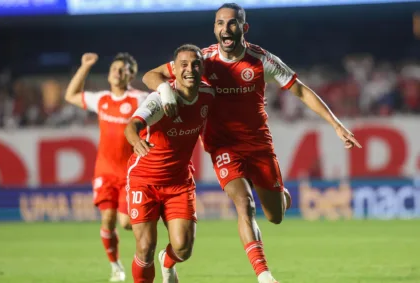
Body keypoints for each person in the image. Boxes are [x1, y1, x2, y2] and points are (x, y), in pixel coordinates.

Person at [142, 3, 362, 283]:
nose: (226, 29)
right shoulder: (203, 60)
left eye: (232, 23)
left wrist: (336, 125)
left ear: (243, 28)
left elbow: (301, 91)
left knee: (276, 215)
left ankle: (169, 257)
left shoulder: (262, 60)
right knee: (244, 204)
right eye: (220, 23)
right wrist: (164, 89)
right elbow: (151, 74)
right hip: (222, 147)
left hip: (259, 146)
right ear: (214, 28)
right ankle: (264, 275)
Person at [124, 44, 214, 283]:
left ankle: (168, 260)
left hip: (178, 181)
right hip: (144, 180)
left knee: (183, 248)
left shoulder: (208, 95)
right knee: (145, 247)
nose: (190, 70)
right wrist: (136, 141)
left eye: (195, 65)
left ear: (202, 68)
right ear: (173, 69)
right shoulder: (159, 100)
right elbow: (132, 126)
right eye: (183, 65)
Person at [65, 52, 149, 282]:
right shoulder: (101, 99)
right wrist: (84, 67)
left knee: (127, 223)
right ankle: (116, 267)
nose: (117, 71)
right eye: (114, 68)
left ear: (131, 75)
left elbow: (161, 114)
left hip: (131, 173)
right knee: (108, 220)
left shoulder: (140, 99)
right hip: (105, 172)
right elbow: (71, 95)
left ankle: (144, 249)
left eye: (123, 69)